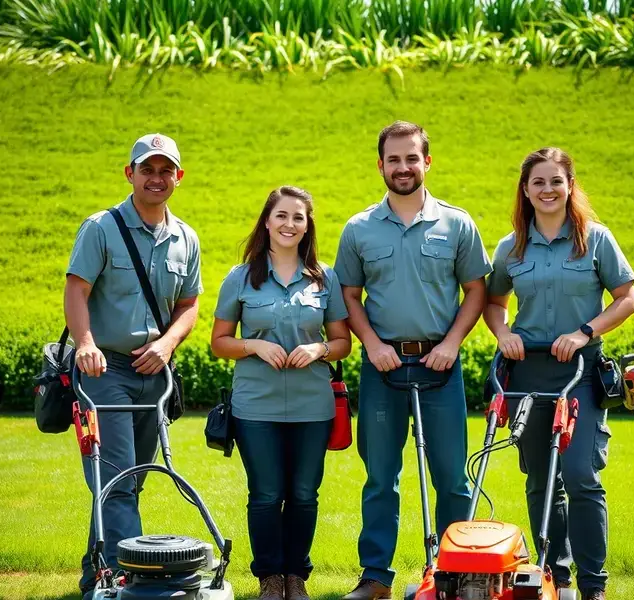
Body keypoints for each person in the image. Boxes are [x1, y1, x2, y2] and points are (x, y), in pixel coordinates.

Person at [334, 121, 491, 600]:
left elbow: (477, 290)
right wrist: (372, 344)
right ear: (380, 164)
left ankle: (455, 574)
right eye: (393, 159)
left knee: (451, 476)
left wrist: (452, 344)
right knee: (381, 476)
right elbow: (349, 295)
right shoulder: (359, 228)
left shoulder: (457, 223)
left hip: (440, 367)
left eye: (411, 158)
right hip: (382, 368)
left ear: (427, 161)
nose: (402, 167)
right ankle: (376, 578)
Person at [484, 147, 634, 600]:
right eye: (538, 183)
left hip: (579, 373)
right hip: (527, 374)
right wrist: (503, 332)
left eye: (556, 181)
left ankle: (593, 584)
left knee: (580, 474)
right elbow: (494, 304)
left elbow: (627, 298)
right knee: (540, 477)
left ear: (570, 185)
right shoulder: (509, 247)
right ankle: (556, 573)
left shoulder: (596, 238)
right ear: (526, 190)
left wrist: (584, 332)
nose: (548, 190)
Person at [64, 133, 203, 599]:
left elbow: (190, 305)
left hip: (154, 373)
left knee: (127, 481)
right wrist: (86, 345)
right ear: (131, 174)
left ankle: (96, 577)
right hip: (104, 372)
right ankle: (133, 584)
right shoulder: (101, 228)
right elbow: (76, 290)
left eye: (166, 170)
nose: (157, 178)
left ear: (178, 177)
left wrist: (166, 345)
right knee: (117, 479)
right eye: (148, 169)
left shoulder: (186, 237)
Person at [211, 186, 351, 600]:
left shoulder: (325, 278)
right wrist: (253, 345)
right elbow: (219, 341)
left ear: (307, 227)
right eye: (282, 216)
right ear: (267, 222)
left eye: (298, 218)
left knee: (305, 494)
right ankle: (270, 578)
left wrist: (319, 348)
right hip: (256, 405)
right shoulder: (240, 277)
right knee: (267, 493)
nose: (290, 224)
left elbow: (343, 341)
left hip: (313, 405)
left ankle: (296, 576)